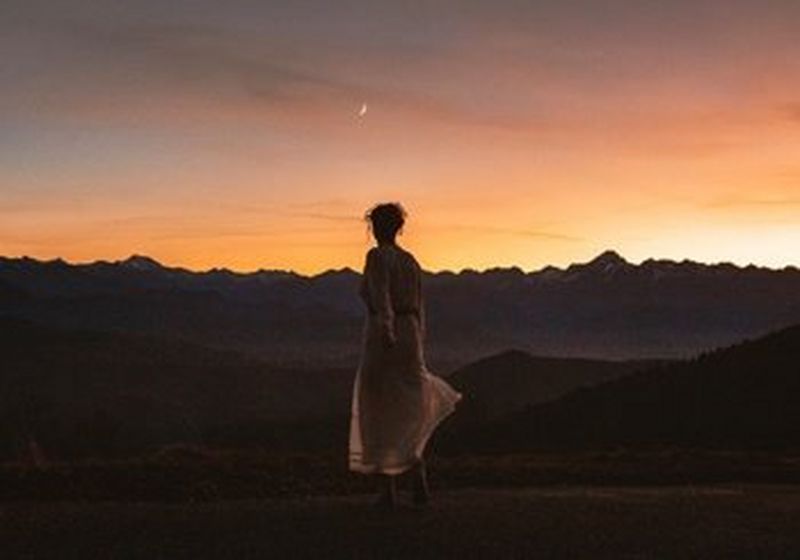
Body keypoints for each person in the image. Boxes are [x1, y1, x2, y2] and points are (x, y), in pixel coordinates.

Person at [348, 202, 461, 509]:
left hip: (386, 334)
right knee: (409, 406)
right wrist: (416, 341)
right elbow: (420, 306)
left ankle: (389, 490)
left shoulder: (376, 257)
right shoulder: (411, 261)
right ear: (399, 227)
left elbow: (381, 297)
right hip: (410, 334)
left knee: (381, 406)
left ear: (375, 228)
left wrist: (386, 332)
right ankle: (418, 477)